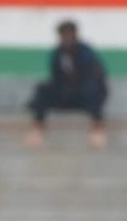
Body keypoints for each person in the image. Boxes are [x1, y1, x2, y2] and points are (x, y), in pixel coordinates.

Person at [25, 20, 109, 149]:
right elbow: (55, 78)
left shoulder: (86, 53)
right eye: (63, 36)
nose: (67, 39)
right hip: (65, 95)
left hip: (84, 95)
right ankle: (38, 127)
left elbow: (97, 77)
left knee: (94, 89)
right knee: (42, 89)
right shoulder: (57, 53)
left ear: (75, 35)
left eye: (70, 35)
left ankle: (97, 128)